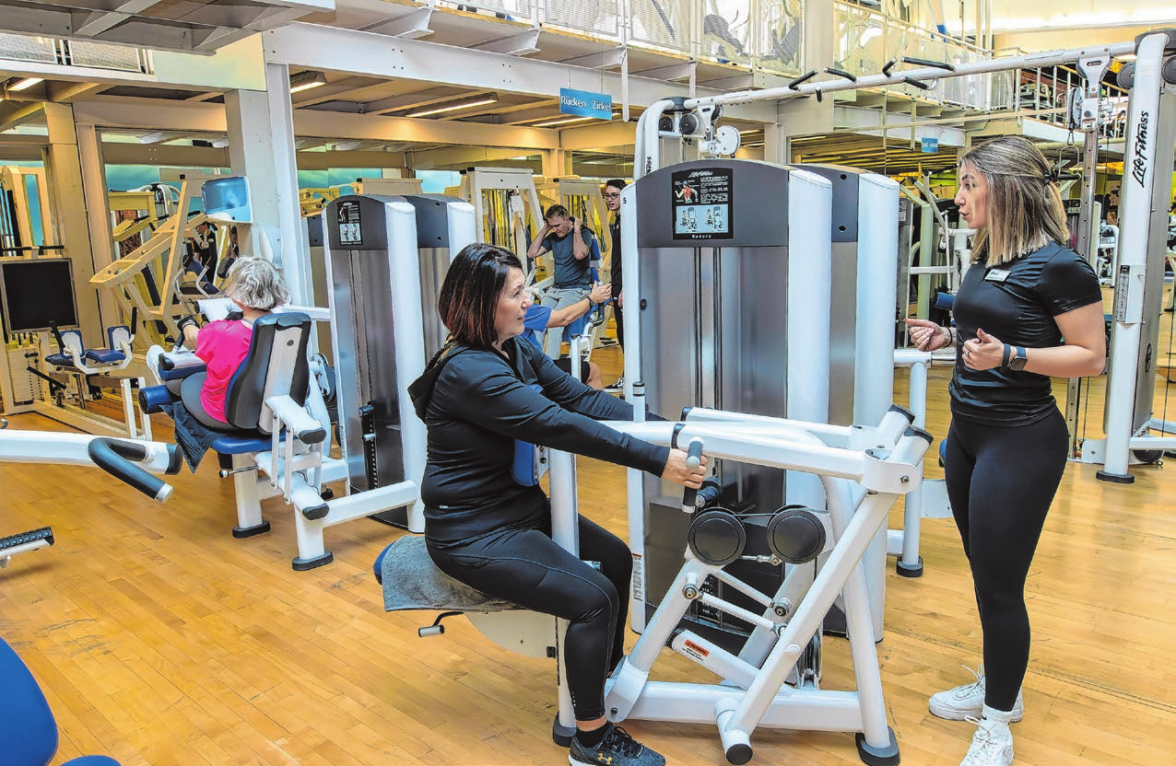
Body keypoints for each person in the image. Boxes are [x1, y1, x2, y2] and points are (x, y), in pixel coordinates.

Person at [409, 243, 706, 766]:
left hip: (516, 509)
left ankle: (598, 684)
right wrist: (660, 461)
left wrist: (669, 432)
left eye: (527, 289)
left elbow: (581, 399)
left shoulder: (514, 348)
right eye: (517, 293)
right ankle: (589, 740)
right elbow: (561, 426)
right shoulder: (470, 372)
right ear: (481, 304)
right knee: (592, 599)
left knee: (615, 560)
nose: (530, 301)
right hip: (471, 532)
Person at [904, 135, 1105, 766]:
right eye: (959, 185)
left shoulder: (1060, 265)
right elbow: (988, 326)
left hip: (1020, 440)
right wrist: (948, 334)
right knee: (984, 572)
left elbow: (1091, 357)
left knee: (1000, 585)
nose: (957, 198)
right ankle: (1001, 688)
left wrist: (1012, 356)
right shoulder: (988, 256)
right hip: (967, 434)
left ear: (1005, 189)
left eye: (968, 185)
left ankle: (998, 720)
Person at [175, 257, 290, 430]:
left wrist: (187, 324)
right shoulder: (290, 328)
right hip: (275, 414)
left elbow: (193, 338)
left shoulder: (222, 332)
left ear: (240, 297)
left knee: (186, 383)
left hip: (230, 416)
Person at [526, 204, 597, 358]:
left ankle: (551, 366)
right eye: (552, 226)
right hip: (556, 290)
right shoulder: (552, 237)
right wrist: (545, 229)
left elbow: (579, 254)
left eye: (557, 225)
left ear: (567, 219)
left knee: (554, 325)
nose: (555, 229)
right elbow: (532, 253)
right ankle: (535, 362)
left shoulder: (583, 234)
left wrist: (577, 228)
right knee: (538, 321)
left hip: (577, 289)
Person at [523, 282, 612, 389]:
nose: (525, 297)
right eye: (519, 290)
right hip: (533, 373)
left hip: (519, 370)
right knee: (594, 371)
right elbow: (562, 318)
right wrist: (592, 299)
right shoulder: (521, 309)